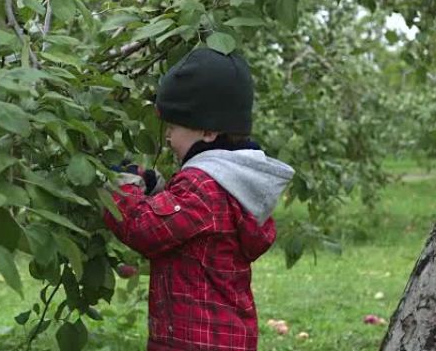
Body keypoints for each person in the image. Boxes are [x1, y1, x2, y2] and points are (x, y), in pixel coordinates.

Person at [103, 47, 295, 351]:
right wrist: (156, 191)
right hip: (226, 337)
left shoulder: (202, 186)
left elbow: (143, 229)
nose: (167, 137)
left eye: (174, 127)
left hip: (194, 341)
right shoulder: (231, 183)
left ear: (207, 131)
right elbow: (188, 227)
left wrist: (119, 188)